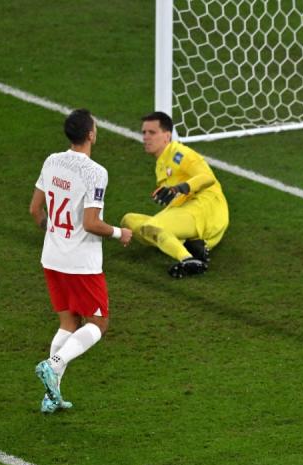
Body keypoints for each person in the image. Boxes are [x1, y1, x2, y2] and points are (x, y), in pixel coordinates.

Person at [30, 109, 132, 414]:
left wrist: (56, 234)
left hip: (52, 256)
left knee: (68, 322)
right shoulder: (95, 172)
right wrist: (119, 233)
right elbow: (91, 223)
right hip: (81, 263)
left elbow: (36, 210)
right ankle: (54, 363)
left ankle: (52, 396)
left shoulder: (51, 161)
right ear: (90, 134)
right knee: (99, 322)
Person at [120, 111, 229, 278]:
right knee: (128, 221)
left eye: (152, 132)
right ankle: (189, 244)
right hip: (188, 210)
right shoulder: (161, 164)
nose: (146, 137)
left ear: (167, 135)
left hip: (206, 208)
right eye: (144, 132)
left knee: (154, 226)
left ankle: (188, 259)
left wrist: (180, 188)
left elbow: (208, 178)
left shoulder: (179, 153)